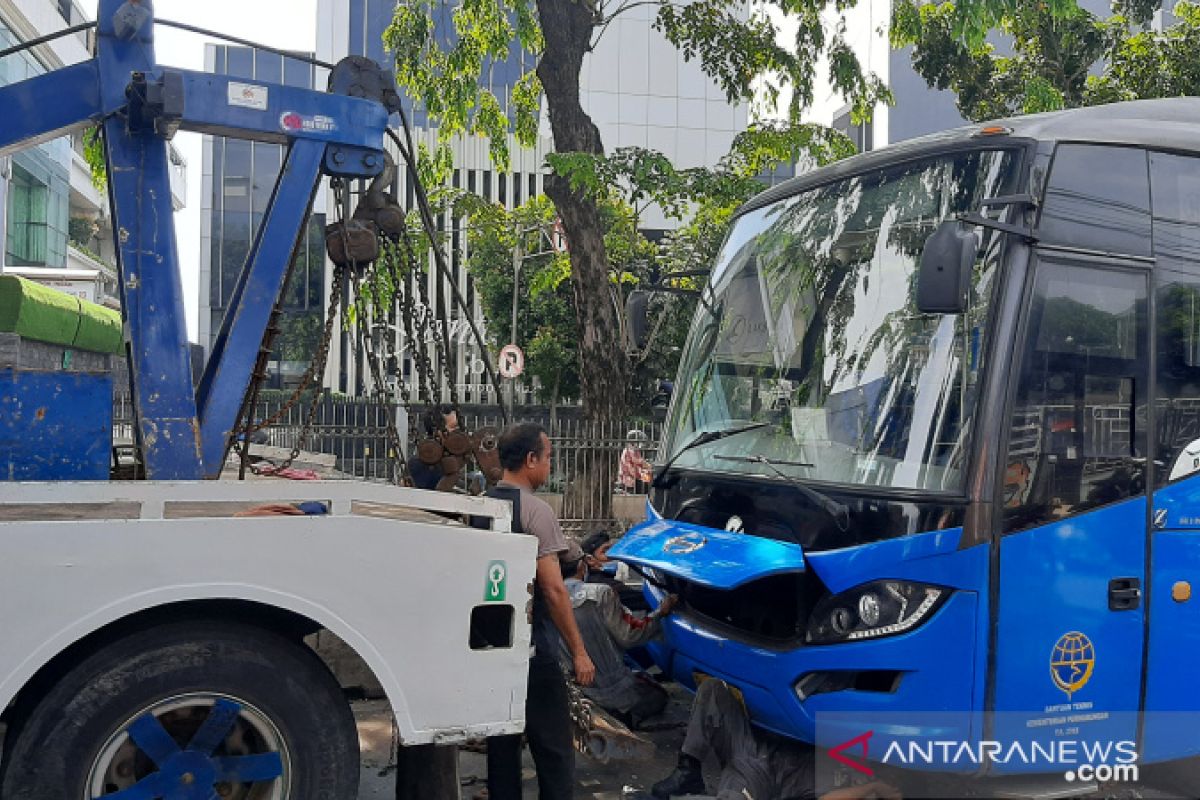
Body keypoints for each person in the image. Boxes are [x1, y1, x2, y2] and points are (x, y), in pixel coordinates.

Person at [485, 422, 596, 800]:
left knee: (502, 747)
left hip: (489, 643)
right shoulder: (537, 511)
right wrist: (579, 652)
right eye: (548, 457)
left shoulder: (479, 503)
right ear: (530, 459)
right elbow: (552, 589)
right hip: (533, 648)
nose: (550, 465)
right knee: (553, 748)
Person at [645, 679, 901, 800]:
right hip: (752, 743)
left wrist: (872, 789)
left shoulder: (849, 790)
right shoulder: (856, 751)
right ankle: (688, 768)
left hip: (759, 775)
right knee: (713, 690)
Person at [559, 547, 677, 727]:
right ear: (582, 566)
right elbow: (629, 635)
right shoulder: (600, 593)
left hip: (572, 694)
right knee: (659, 695)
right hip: (612, 691)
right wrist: (660, 612)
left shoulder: (547, 599)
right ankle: (626, 718)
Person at [581, 530, 650, 613]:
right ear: (590, 560)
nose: (612, 555)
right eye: (605, 551)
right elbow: (645, 600)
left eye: (613, 550)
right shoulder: (607, 585)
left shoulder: (590, 580)